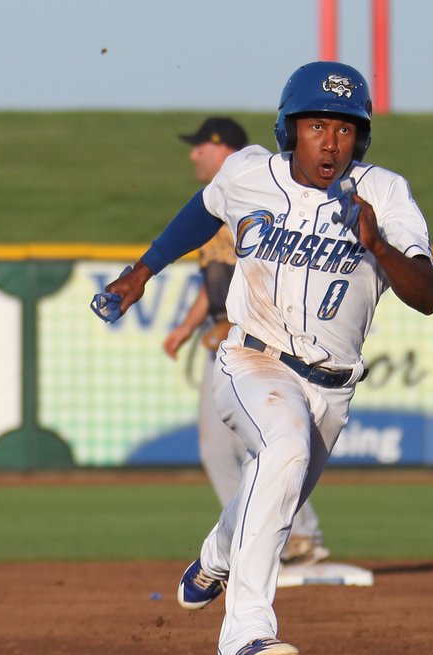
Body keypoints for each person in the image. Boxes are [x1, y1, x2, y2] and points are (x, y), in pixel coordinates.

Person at [100, 61, 433, 655]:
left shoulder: (384, 195)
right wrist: (143, 270)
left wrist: (382, 249)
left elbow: (427, 295)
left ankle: (214, 556)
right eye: (316, 125)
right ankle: (244, 632)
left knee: (274, 493)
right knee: (281, 447)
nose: (330, 141)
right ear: (290, 128)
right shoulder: (249, 172)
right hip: (250, 356)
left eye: (344, 128)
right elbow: (203, 211)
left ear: (360, 137)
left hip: (332, 388)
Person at [161, 116, 329, 566]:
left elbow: (269, 270)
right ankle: (270, 537)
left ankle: (295, 535)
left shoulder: (256, 193)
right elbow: (212, 277)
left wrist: (232, 323)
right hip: (225, 337)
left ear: (222, 148)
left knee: (259, 443)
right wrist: (188, 325)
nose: (192, 154)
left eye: (199, 146)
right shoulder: (218, 201)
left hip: (254, 341)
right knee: (225, 448)